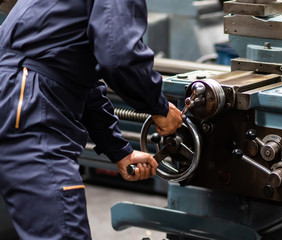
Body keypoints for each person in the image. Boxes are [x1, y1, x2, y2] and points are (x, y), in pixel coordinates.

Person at [0, 0, 182, 239]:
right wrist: (159, 107)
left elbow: (82, 78)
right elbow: (120, 57)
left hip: (16, 97)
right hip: (30, 109)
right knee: (62, 231)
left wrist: (119, 151)